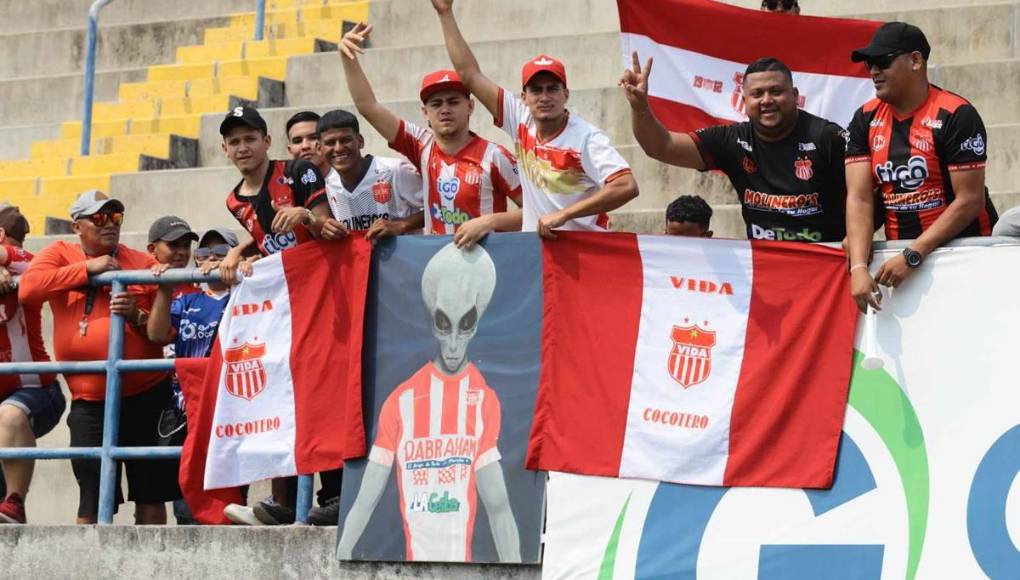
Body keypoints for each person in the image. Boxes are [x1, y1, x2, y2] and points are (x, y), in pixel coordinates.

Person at [337, 243, 520, 562]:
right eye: (443, 323)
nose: (452, 344)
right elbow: (365, 499)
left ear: (477, 321)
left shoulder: (483, 400)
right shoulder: (400, 400)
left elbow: (499, 507)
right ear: (431, 319)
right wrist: (342, 554)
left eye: (464, 324)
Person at [18, 190, 180, 525]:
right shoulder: (60, 253)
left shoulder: (143, 263)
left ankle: (149, 571)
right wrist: (87, 269)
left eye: (116, 217)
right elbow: (28, 290)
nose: (110, 224)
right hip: (89, 400)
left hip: (146, 394)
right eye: (100, 218)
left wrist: (135, 314)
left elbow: (162, 334)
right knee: (90, 497)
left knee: (150, 495)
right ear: (77, 226)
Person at [430, 0, 638, 238]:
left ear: (566, 95)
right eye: (536, 90)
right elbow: (470, 75)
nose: (544, 97)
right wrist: (445, 14)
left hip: (582, 252)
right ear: (524, 97)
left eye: (552, 89)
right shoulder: (521, 119)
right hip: (538, 251)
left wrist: (565, 215)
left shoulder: (586, 138)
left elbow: (626, 185)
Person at [844, 22, 999, 312]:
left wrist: (914, 253)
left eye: (882, 61)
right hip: (900, 256)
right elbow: (860, 196)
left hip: (965, 253)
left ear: (916, 61)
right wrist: (859, 265)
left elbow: (969, 200)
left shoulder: (955, 114)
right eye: (869, 64)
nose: (873, 72)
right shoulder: (863, 119)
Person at [623, 54, 849, 243]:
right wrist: (640, 107)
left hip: (827, 265)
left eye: (776, 91)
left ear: (795, 96)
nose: (767, 100)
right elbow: (662, 147)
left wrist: (857, 241)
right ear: (745, 100)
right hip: (766, 264)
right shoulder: (731, 139)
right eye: (757, 94)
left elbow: (867, 195)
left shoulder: (826, 136)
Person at [340, 23, 523, 247]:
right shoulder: (421, 145)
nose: (445, 109)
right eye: (436, 104)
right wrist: (348, 59)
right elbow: (367, 106)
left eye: (453, 102)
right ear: (425, 113)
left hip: (487, 269)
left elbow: (534, 211)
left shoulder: (495, 156)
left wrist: (488, 222)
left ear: (470, 107)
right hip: (436, 266)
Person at [147, 227, 238, 526]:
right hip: (187, 409)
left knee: (227, 500)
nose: (210, 259)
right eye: (203, 254)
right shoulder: (187, 300)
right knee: (186, 505)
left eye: (221, 253)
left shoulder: (242, 295)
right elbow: (157, 334)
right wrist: (164, 286)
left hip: (229, 412)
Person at [217, 106, 341, 284]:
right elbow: (264, 240)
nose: (242, 148)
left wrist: (304, 215)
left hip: (325, 280)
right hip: (286, 289)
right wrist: (240, 255)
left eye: (250, 139)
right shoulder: (233, 202)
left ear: (267, 141)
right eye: (234, 142)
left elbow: (328, 228)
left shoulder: (298, 170)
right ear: (225, 149)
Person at [0, 204, 64, 524]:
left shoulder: (27, 265)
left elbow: (32, 263)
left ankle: (15, 503)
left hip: (36, 390)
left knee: (9, 416)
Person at [316, 109, 425, 239]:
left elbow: (436, 207)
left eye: (345, 140)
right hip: (365, 259)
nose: (338, 148)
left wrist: (401, 225)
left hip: (406, 257)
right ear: (319, 148)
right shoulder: (330, 183)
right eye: (330, 143)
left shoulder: (394, 170)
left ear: (360, 141)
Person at [147, 215, 201, 302]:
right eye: (174, 245)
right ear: (152, 249)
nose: (182, 252)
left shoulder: (194, 286)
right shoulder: (142, 284)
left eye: (186, 245)